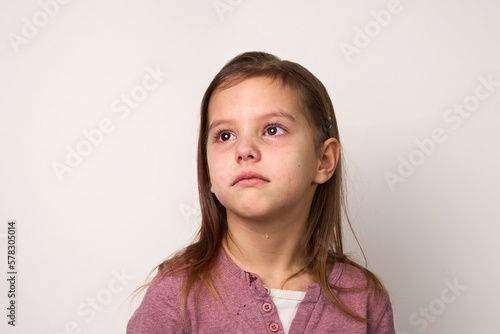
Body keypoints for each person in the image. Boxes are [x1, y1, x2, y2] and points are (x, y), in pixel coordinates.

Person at [127, 51, 395, 333]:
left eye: (272, 129)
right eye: (225, 136)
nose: (244, 150)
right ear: (208, 174)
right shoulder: (174, 295)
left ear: (324, 160)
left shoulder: (364, 299)